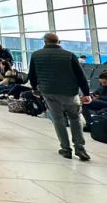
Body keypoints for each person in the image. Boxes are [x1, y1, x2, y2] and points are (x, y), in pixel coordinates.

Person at [28, 33, 91, 161]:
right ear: (59, 42)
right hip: (69, 92)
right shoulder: (69, 55)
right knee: (75, 118)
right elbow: (81, 76)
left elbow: (32, 75)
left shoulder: (36, 55)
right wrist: (86, 93)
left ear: (44, 42)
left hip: (48, 91)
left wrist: (34, 88)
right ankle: (80, 149)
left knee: (58, 119)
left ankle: (65, 149)